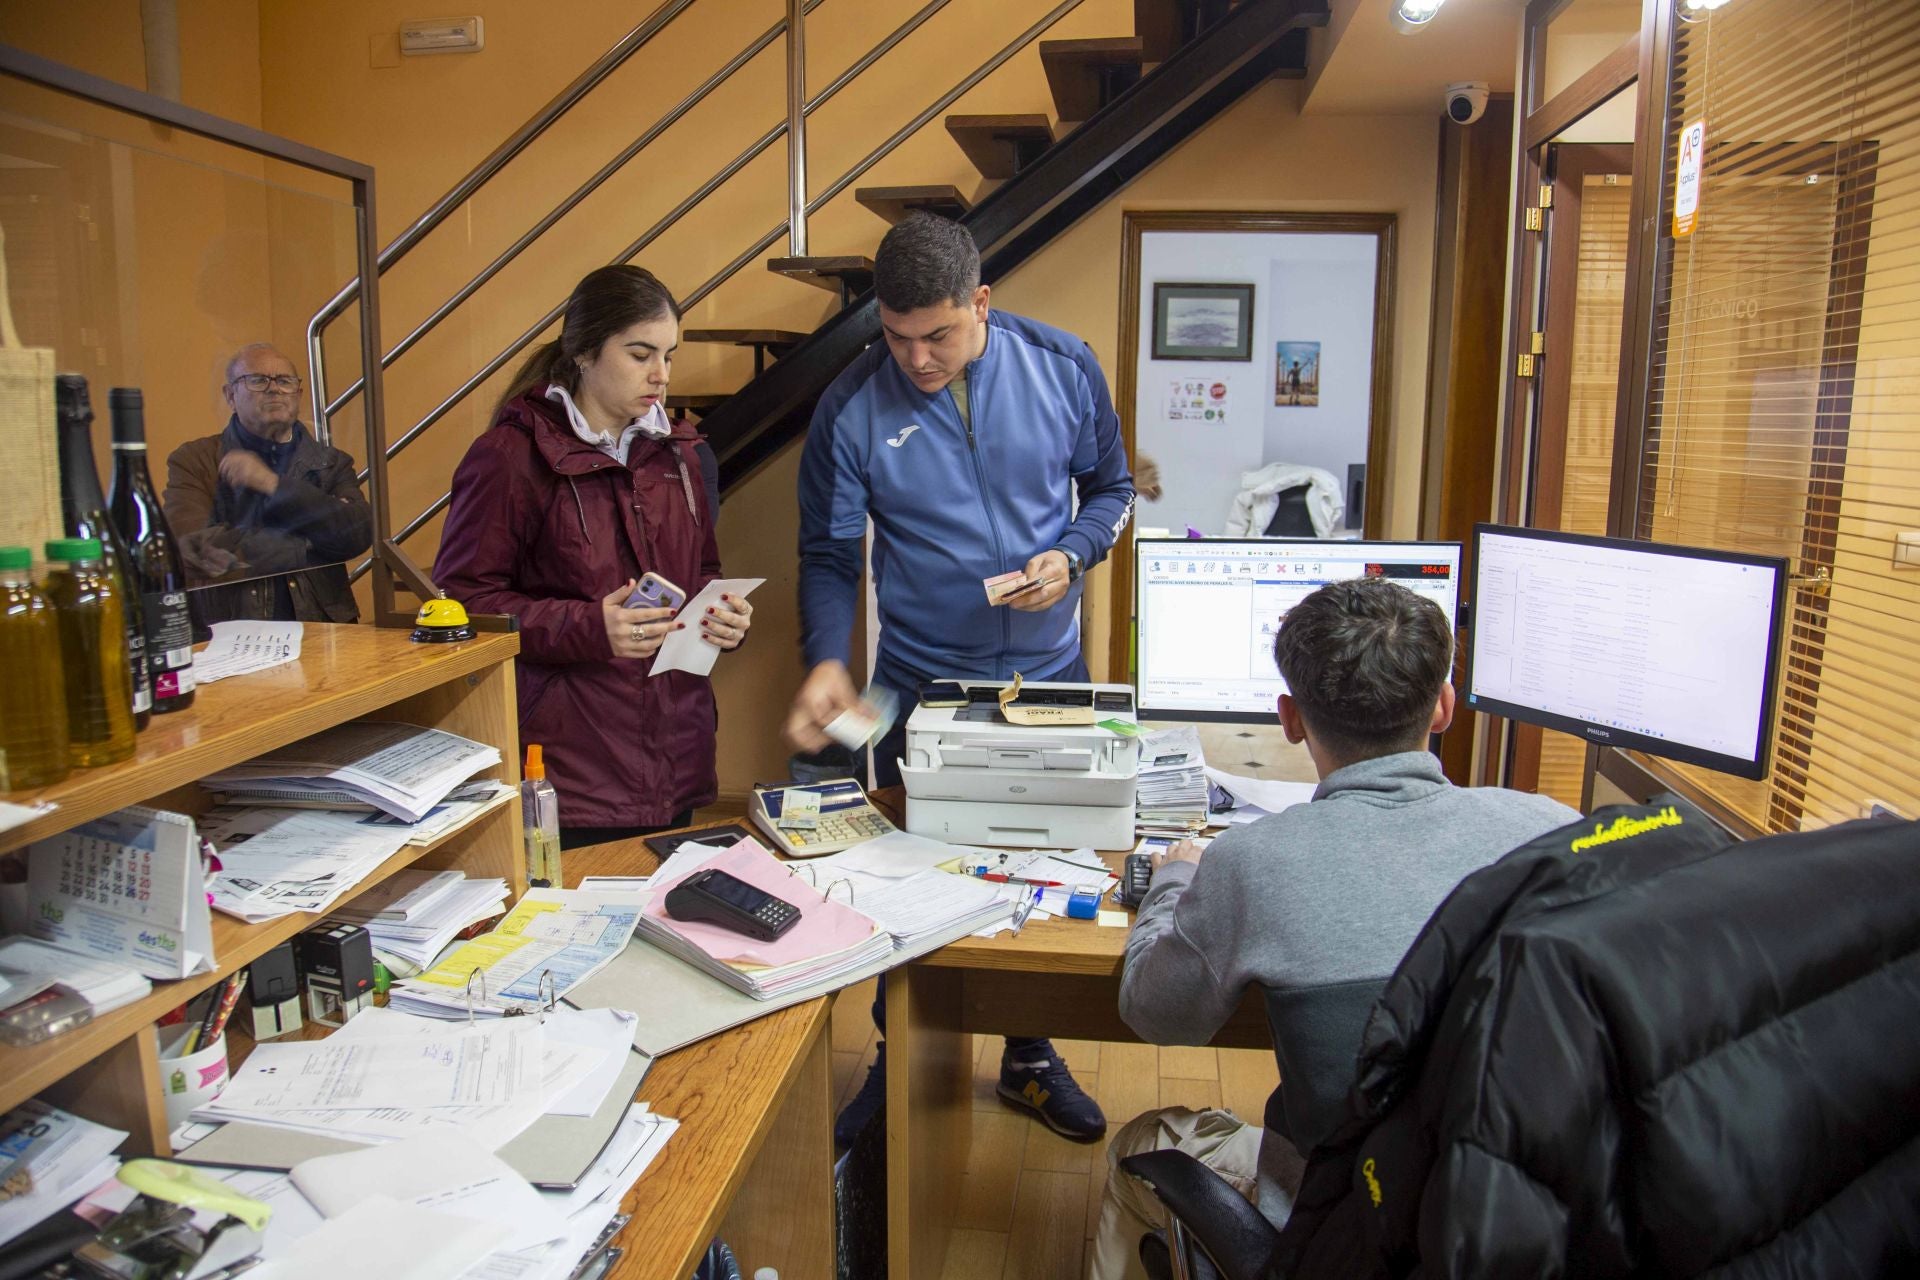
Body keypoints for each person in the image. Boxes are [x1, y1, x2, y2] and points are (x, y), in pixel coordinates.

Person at [1091, 577, 1578, 1280]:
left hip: (1347, 1226)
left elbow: (1157, 1012)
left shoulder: (1251, 862)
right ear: (1442, 708)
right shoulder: (1552, 832)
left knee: (1141, 1139)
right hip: (1519, 1216)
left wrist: (1172, 879)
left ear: (1289, 717)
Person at [786, 211, 1135, 1147]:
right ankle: (902, 1061)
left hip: (1051, 678)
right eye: (896, 338)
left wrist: (1071, 554)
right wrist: (827, 657)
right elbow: (826, 554)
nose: (917, 359)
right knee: (913, 883)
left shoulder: (1064, 366)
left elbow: (1114, 490)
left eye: (938, 334)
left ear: (981, 302)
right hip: (921, 684)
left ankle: (1029, 1054)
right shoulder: (851, 405)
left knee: (1044, 883)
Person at [435, 265, 753, 849]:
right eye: (639, 354)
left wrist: (724, 616)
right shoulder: (509, 456)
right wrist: (589, 627)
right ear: (583, 352)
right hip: (572, 766)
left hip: (675, 748)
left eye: (669, 356)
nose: (660, 376)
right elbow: (464, 604)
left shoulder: (682, 454)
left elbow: (702, 571)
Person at [164, 343, 373, 627]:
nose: (274, 389)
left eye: (284, 381)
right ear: (230, 395)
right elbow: (194, 548)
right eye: (258, 380)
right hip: (233, 634)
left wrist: (272, 484)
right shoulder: (195, 460)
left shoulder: (330, 462)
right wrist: (310, 542)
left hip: (325, 631)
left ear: (298, 394)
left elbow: (357, 533)